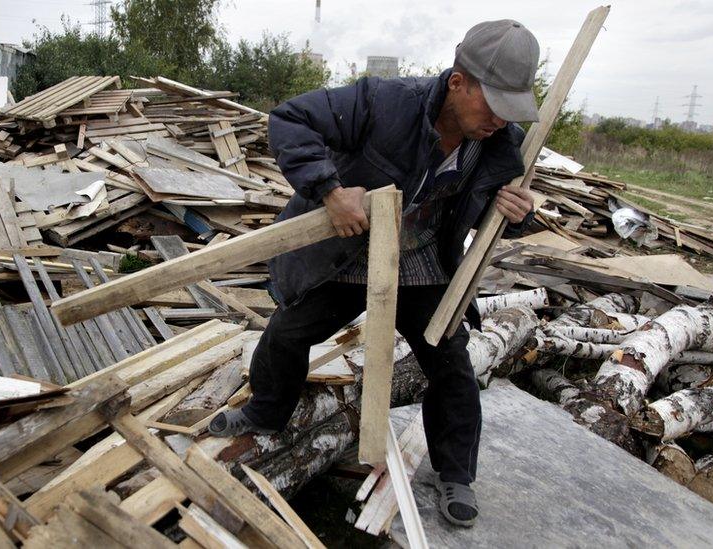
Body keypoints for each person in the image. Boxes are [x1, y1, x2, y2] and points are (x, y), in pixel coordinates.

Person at [208, 19, 539, 527]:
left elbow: (500, 215)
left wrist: (516, 213)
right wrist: (330, 191)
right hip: (350, 252)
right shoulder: (385, 101)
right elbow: (290, 119)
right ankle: (264, 414)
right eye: (492, 103)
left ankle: (455, 474)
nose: (499, 119)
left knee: (451, 363)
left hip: (423, 259)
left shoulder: (498, 142)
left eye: (510, 109)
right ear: (458, 81)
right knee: (287, 331)